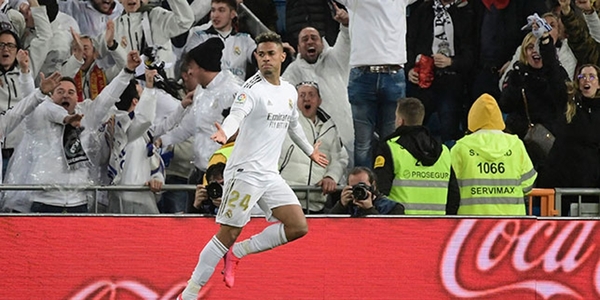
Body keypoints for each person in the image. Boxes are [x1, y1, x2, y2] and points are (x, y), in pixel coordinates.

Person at [178, 32, 328, 300]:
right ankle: (189, 293)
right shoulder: (251, 89)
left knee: (298, 226)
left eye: (271, 54)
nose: (266, 59)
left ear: (282, 56)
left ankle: (238, 254)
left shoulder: (288, 91)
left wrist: (310, 152)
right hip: (245, 173)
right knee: (228, 233)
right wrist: (225, 131)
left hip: (270, 175)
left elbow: (293, 125)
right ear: (256, 57)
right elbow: (237, 114)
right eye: (261, 54)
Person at [2, 50, 141, 213]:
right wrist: (26, 73)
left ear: (78, 98)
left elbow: (107, 97)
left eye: (71, 92)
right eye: (60, 92)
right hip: (44, 201)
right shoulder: (39, 118)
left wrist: (127, 71)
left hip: (78, 201)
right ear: (51, 97)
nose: (65, 96)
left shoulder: (87, 117)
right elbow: (29, 102)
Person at [155, 38, 241, 212]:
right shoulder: (202, 90)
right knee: (193, 227)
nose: (190, 71)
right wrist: (162, 140)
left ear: (202, 67)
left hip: (222, 175)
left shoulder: (234, 91)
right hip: (198, 172)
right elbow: (189, 125)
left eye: (192, 66)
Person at [335, 0, 414, 168]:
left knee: (392, 142)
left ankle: (388, 189)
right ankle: (362, 190)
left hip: (391, 75)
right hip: (362, 76)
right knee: (363, 143)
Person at [282, 4, 353, 166]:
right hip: (316, 141)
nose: (309, 42)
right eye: (304, 39)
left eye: (314, 38)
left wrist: (346, 24)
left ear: (322, 43)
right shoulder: (293, 71)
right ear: (299, 47)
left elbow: (346, 39)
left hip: (346, 135)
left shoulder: (336, 58)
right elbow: (278, 95)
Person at [451, 93, 537, 216]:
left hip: (471, 226)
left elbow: (453, 190)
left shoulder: (461, 147)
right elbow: (528, 185)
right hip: (511, 226)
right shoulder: (516, 145)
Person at [373, 97, 460, 215]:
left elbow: (381, 191)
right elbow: (454, 195)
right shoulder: (443, 151)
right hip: (436, 227)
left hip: (401, 226)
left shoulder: (390, 148)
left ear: (400, 121)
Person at [406, 0, 475, 146]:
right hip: (422, 81)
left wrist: (451, 62)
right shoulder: (422, 10)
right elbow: (409, 42)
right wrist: (410, 69)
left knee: (449, 132)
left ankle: (449, 166)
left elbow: (472, 53)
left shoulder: (466, 12)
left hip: (451, 83)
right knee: (413, 130)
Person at [537, 64, 600, 216]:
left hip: (592, 182)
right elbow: (553, 76)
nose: (587, 80)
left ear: (599, 84)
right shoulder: (567, 104)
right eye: (582, 76)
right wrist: (547, 45)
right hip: (564, 180)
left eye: (592, 76)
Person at [499, 31, 569, 167]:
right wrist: (516, 84)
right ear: (524, 51)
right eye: (530, 47)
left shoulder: (558, 73)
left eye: (538, 46)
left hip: (551, 141)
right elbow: (505, 105)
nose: (535, 51)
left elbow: (563, 100)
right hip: (521, 139)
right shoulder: (516, 74)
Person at [279, 81, 348, 214]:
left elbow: (340, 157)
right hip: (287, 200)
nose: (306, 98)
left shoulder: (330, 127)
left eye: (311, 94)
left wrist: (331, 177)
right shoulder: (285, 123)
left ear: (319, 100)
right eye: (302, 95)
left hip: (317, 204)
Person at [107, 69, 163, 214]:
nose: (144, 93)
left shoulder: (134, 130)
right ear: (135, 101)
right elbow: (146, 118)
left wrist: (182, 108)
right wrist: (150, 87)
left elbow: (159, 126)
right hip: (128, 201)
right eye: (141, 92)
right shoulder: (124, 127)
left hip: (139, 197)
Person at [183, 0, 256, 81]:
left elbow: (259, 57)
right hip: (207, 92)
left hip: (237, 92)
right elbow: (190, 66)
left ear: (232, 14)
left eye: (221, 10)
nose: (215, 15)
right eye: (213, 10)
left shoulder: (245, 39)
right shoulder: (198, 37)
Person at [330, 166, 405, 216]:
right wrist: (341, 205)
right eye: (354, 187)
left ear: (373, 185)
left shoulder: (392, 207)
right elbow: (328, 227)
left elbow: (389, 234)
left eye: (362, 186)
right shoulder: (347, 207)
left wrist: (369, 210)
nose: (359, 190)